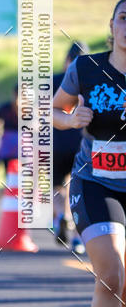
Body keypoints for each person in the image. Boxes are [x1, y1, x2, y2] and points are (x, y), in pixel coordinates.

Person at [53, 0, 126, 307]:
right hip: (96, 182)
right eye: (123, 17)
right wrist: (70, 120)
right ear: (111, 25)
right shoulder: (87, 68)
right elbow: (54, 109)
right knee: (112, 274)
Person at [52, 42, 89, 255]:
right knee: (79, 191)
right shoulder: (88, 80)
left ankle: (61, 216)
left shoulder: (54, 80)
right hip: (79, 142)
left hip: (56, 141)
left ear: (67, 60)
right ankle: (77, 237)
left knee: (57, 186)